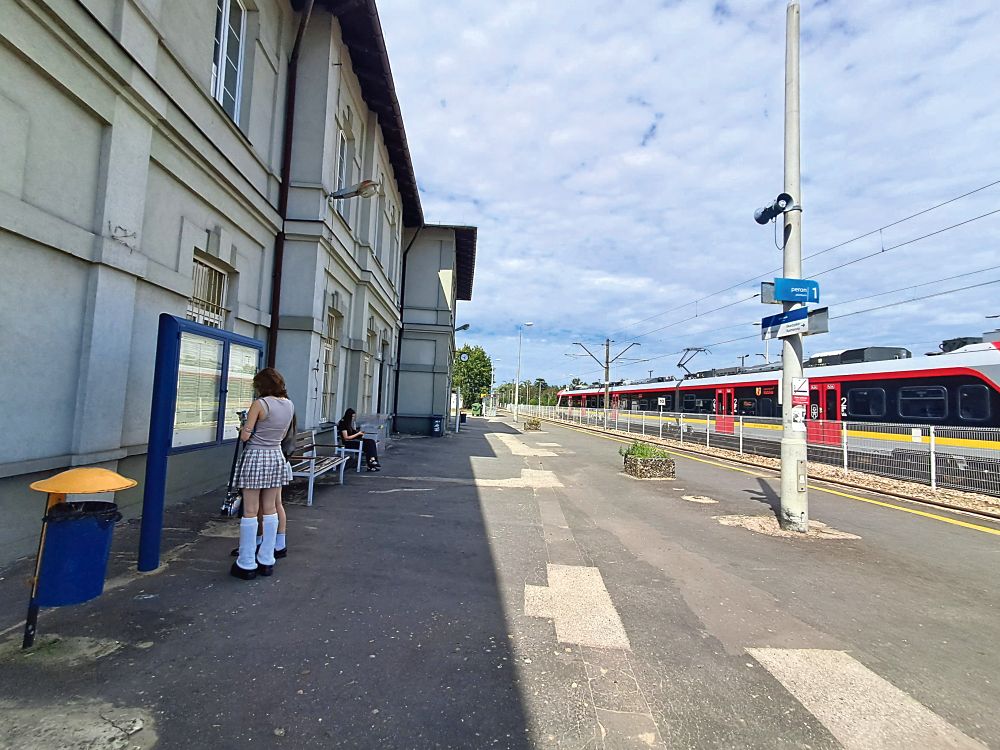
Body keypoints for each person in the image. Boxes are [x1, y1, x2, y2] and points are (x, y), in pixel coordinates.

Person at [230, 367, 295, 580]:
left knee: (250, 510)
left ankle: (246, 562)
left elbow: (245, 436)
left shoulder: (260, 404)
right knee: (270, 509)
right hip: (276, 456)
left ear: (261, 385)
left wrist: (244, 426)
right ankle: (267, 560)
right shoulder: (289, 404)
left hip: (256, 456)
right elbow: (283, 435)